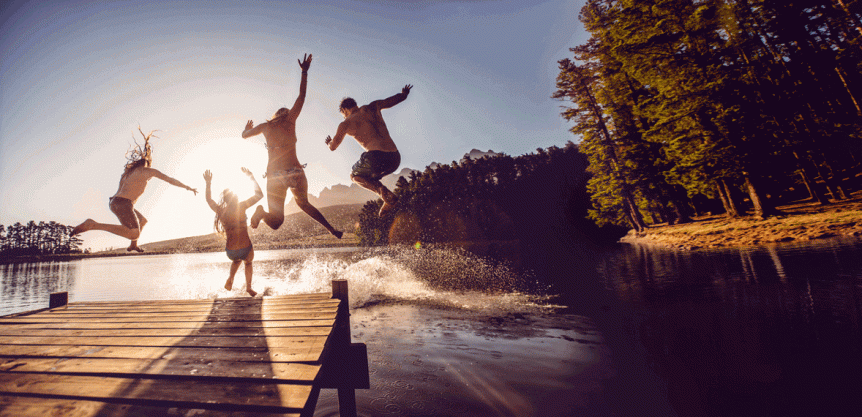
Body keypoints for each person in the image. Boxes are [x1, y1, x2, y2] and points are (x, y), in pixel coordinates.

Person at [242, 53, 343, 238]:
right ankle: (331, 229)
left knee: (276, 222)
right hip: (294, 172)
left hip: (274, 176)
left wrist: (245, 130)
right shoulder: (290, 120)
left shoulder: (265, 127)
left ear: (274, 116)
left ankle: (262, 213)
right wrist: (304, 72)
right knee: (304, 204)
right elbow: (302, 97)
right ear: (286, 114)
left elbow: (244, 136)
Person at [71, 129, 197, 252]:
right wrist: (187, 187)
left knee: (142, 221)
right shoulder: (148, 171)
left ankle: (133, 246)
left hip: (115, 202)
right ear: (147, 163)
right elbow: (169, 179)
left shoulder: (127, 173)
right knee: (134, 233)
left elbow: (122, 190)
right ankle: (93, 225)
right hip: (124, 203)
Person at [325, 84, 412, 216]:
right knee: (369, 177)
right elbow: (393, 100)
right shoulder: (373, 106)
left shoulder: (346, 123)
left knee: (354, 176)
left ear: (344, 110)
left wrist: (328, 143)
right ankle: (387, 198)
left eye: (343, 114)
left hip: (375, 158)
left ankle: (385, 195)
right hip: (395, 158)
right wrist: (404, 94)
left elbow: (333, 146)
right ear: (355, 104)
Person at [204, 168, 263, 297]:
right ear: (235, 198)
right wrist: (251, 176)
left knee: (236, 260)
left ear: (225, 200)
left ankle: (230, 279)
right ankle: (248, 287)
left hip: (230, 251)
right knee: (248, 262)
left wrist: (208, 183)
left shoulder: (220, 211)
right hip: (246, 248)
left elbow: (209, 200)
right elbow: (259, 195)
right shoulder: (242, 206)